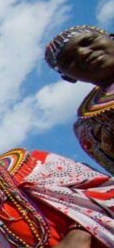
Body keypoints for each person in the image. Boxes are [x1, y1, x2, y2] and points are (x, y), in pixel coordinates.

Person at [44, 25, 114, 173]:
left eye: (88, 41)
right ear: (68, 78)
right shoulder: (87, 127)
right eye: (68, 60)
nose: (83, 53)